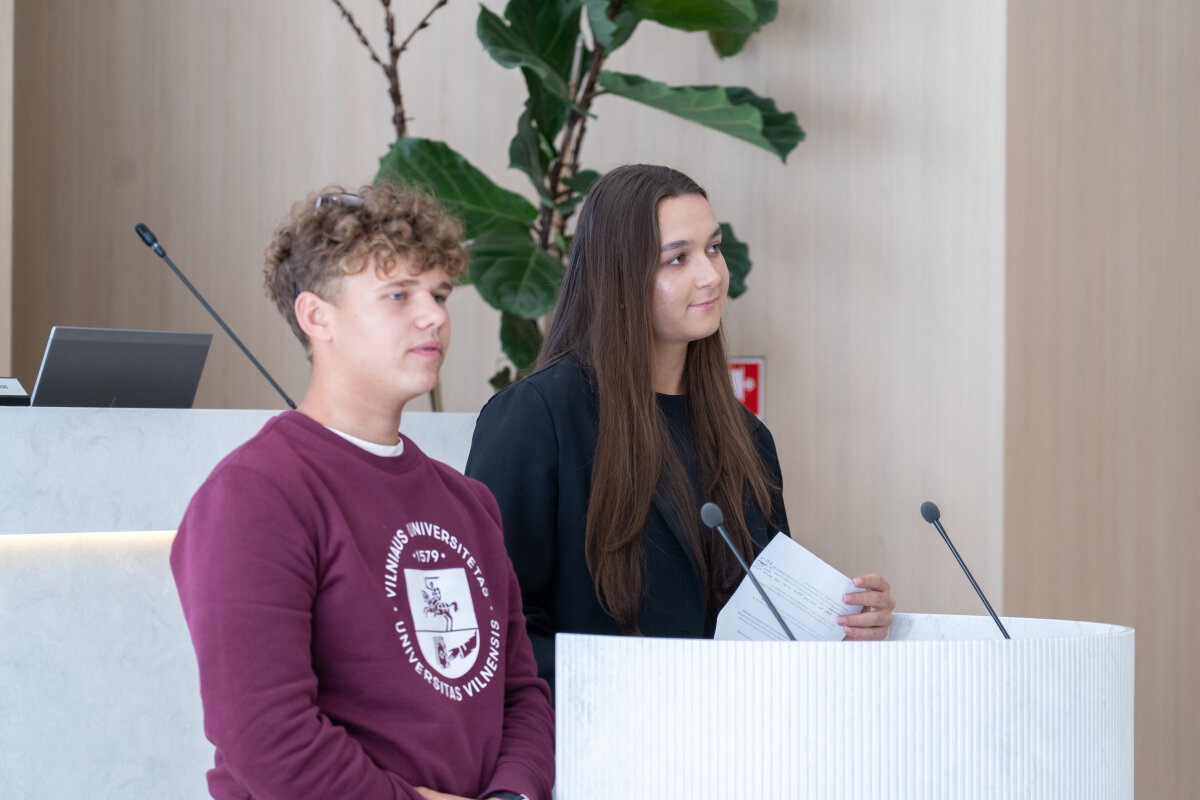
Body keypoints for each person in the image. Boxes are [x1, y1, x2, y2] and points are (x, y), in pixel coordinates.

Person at [171, 182, 553, 800]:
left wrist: (512, 794)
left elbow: (520, 694)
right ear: (316, 316)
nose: (433, 315)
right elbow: (265, 735)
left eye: (438, 294)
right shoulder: (254, 494)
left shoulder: (469, 503)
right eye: (398, 294)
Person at [465, 164, 895, 689]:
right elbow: (496, 629)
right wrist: (636, 689)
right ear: (620, 276)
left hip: (729, 730)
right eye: (678, 258)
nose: (710, 275)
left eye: (713, 249)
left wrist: (846, 625)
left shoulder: (748, 439)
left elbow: (770, 623)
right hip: (593, 730)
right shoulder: (536, 417)